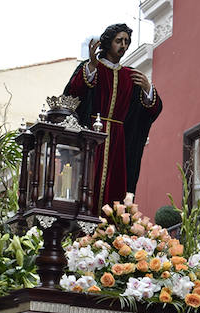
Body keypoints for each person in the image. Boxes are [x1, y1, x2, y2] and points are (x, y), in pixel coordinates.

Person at [64, 23, 163, 207]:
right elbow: (74, 93)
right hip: (91, 138)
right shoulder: (92, 67)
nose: (123, 45)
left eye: (126, 41)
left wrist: (147, 88)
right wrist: (92, 67)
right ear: (108, 43)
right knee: (88, 181)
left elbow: (151, 111)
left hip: (120, 143)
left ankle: (112, 228)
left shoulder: (130, 76)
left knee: (117, 189)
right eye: (119, 41)